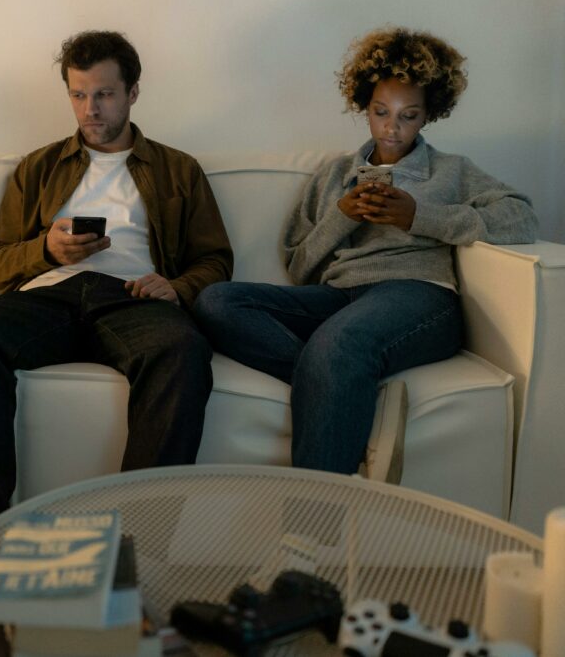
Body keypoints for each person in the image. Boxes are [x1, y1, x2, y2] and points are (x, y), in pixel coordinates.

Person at [0, 30, 233, 543]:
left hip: (134, 298)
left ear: (133, 93)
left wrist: (177, 287)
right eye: (78, 94)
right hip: (50, 296)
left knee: (182, 350)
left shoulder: (179, 169)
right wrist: (47, 251)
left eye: (104, 94)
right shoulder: (40, 166)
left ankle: (139, 546)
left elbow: (216, 259)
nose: (89, 109)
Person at [193, 27, 538, 474]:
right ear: (364, 106)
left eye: (408, 115)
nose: (392, 128)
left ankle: (308, 535)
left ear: (428, 114)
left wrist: (418, 216)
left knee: (340, 344)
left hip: (417, 296)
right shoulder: (334, 174)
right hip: (338, 297)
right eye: (381, 112)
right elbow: (299, 266)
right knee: (216, 300)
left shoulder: (451, 171)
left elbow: (521, 216)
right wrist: (343, 215)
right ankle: (351, 391)